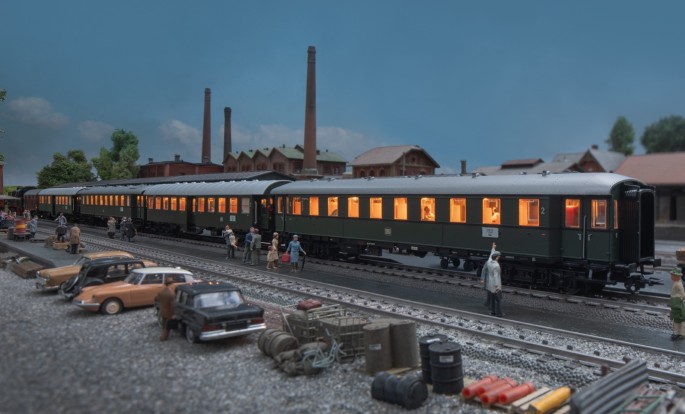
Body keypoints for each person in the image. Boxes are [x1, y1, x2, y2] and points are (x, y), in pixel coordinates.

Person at [155, 277, 176, 342]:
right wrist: (173, 314)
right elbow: (172, 305)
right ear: (170, 284)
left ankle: (164, 335)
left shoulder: (161, 291)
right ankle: (164, 337)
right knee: (167, 326)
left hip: (162, 311)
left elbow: (156, 299)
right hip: (169, 312)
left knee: (164, 324)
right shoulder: (171, 294)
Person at [486, 248, 504, 317]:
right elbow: (496, 276)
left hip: (490, 283)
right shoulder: (496, 265)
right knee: (498, 300)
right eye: (498, 256)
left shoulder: (489, 262)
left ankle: (492, 312)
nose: (499, 257)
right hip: (495, 284)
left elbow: (490, 256)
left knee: (492, 299)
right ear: (496, 257)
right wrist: (497, 286)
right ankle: (499, 313)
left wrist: (493, 248)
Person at [669, 267, 685, 340]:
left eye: (672, 275)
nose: (671, 277)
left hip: (677, 303)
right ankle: (678, 333)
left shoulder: (678, 284)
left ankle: (680, 334)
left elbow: (683, 295)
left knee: (679, 319)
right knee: (676, 319)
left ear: (677, 276)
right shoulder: (677, 283)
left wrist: (679, 301)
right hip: (675, 303)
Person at [480, 242, 497, 307]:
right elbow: (483, 271)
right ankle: (488, 302)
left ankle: (489, 302)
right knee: (489, 292)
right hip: (489, 279)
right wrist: (482, 279)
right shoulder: (487, 263)